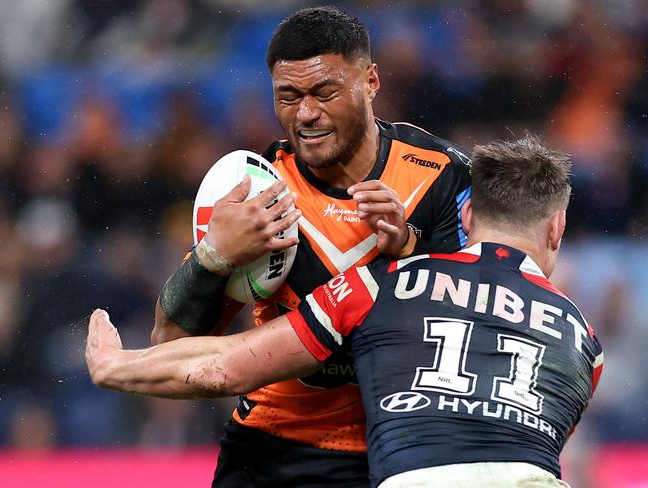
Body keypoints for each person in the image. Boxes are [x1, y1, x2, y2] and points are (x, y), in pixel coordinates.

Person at [87, 135, 603, 488]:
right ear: (556, 227)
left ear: (466, 213)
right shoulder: (585, 340)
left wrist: (118, 365)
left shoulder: (382, 285)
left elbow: (229, 363)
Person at [151, 6, 471, 487]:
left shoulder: (440, 174)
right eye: (289, 96)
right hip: (275, 447)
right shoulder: (254, 187)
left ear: (371, 82)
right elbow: (173, 346)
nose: (306, 114)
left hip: (401, 446)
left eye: (325, 92)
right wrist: (214, 257)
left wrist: (408, 250)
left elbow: (477, 330)